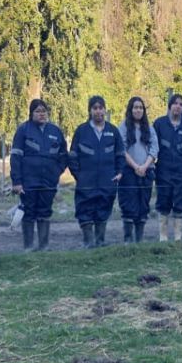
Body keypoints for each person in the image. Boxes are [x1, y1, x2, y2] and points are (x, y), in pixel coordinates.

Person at [11, 99, 68, 251]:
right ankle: (28, 247)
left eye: (44, 111)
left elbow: (63, 155)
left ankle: (44, 246)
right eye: (37, 111)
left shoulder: (55, 131)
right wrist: (16, 181)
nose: (41, 114)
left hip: (48, 181)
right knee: (28, 212)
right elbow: (15, 157)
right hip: (28, 181)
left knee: (45, 211)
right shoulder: (23, 130)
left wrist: (56, 172)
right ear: (31, 114)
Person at [69, 95, 124, 248]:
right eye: (95, 108)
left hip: (107, 181)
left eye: (101, 108)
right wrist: (79, 176)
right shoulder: (81, 131)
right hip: (86, 181)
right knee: (85, 210)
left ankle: (100, 242)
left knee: (103, 209)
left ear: (105, 110)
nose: (98, 111)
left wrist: (119, 173)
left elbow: (120, 154)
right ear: (90, 111)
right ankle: (88, 243)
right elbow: (72, 156)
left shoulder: (113, 131)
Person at [117, 96, 158, 243]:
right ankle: (128, 240)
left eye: (141, 107)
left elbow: (154, 149)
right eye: (135, 107)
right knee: (129, 205)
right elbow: (121, 149)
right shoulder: (123, 128)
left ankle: (139, 240)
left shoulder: (150, 128)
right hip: (129, 172)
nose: (138, 110)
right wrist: (135, 166)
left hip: (146, 172)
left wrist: (144, 166)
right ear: (130, 109)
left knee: (143, 205)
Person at [153, 93, 182, 241]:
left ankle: (178, 237)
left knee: (180, 203)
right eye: (175, 103)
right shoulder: (159, 124)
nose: (178, 106)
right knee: (163, 201)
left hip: (181, 172)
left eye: (181, 104)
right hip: (163, 171)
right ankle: (163, 237)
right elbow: (152, 147)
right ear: (170, 106)